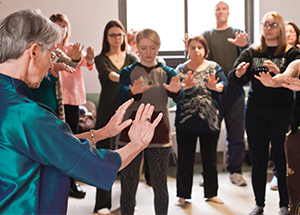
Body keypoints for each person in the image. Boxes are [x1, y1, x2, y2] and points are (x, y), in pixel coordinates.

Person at [0, 9, 163, 215]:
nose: (52, 64)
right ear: (33, 52)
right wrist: (137, 144)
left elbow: (48, 144)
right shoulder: (26, 114)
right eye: (52, 54)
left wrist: (102, 133)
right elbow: (90, 164)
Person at [228, 11, 300, 215]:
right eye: (265, 24)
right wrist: (239, 74)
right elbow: (233, 79)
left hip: (283, 112)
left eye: (273, 24)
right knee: (258, 159)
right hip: (255, 112)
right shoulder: (252, 52)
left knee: (281, 159)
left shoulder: (291, 53)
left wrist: (280, 76)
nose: (268, 28)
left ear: (280, 28)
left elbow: (293, 76)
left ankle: (284, 205)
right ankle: (259, 204)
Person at [117, 28, 185, 215]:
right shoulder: (127, 72)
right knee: (129, 183)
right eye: (144, 47)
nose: (148, 52)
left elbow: (179, 96)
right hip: (131, 132)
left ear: (158, 47)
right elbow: (121, 95)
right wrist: (132, 92)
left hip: (158, 133)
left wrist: (176, 91)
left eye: (152, 48)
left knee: (159, 182)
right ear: (136, 47)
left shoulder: (168, 71)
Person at [184, 1, 249, 186]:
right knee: (210, 134)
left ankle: (235, 171)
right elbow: (196, 59)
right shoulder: (206, 35)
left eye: (224, 9)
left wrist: (243, 46)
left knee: (236, 134)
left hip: (235, 92)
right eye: (217, 9)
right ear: (214, 13)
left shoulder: (238, 33)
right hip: (212, 92)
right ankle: (208, 174)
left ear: (228, 12)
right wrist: (186, 46)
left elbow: (248, 59)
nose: (221, 12)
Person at [175, 35, 228, 206]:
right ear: (188, 50)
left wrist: (216, 87)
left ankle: (211, 193)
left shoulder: (214, 67)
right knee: (185, 159)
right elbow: (174, 91)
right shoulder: (181, 69)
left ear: (205, 50)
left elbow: (224, 84)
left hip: (209, 122)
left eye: (200, 47)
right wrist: (184, 87)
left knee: (210, 159)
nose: (196, 50)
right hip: (185, 122)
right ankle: (183, 195)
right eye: (193, 47)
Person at [93, 20, 139, 215]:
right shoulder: (100, 58)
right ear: (106, 37)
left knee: (130, 158)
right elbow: (108, 74)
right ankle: (102, 204)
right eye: (112, 35)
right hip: (107, 113)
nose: (116, 38)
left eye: (119, 34)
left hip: (129, 111)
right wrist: (124, 78)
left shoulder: (131, 57)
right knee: (104, 159)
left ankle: (128, 202)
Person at [49, 13, 95, 198]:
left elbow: (88, 64)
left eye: (64, 25)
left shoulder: (73, 47)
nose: (62, 28)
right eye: (57, 25)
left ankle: (71, 182)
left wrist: (90, 58)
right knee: (54, 143)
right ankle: (56, 183)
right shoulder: (48, 48)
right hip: (54, 100)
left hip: (73, 101)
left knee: (72, 141)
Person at [255, 59, 300, 214]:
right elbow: (284, 77)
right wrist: (272, 82)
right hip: (297, 131)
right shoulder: (297, 64)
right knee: (294, 181)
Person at [269, 21, 300, 191]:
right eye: (285, 31)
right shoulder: (293, 61)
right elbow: (285, 77)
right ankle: (278, 174)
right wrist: (275, 78)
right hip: (287, 110)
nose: (288, 34)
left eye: (291, 31)